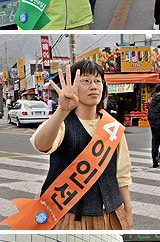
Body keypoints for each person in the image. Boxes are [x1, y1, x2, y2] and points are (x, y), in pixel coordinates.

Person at [29, 60, 133, 230]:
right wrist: (62, 110)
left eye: (98, 81)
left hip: (112, 214)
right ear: (72, 86)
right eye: (85, 81)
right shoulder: (62, 123)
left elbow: (122, 175)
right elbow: (42, 145)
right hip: (68, 215)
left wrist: (128, 209)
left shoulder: (113, 127)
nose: (94, 86)